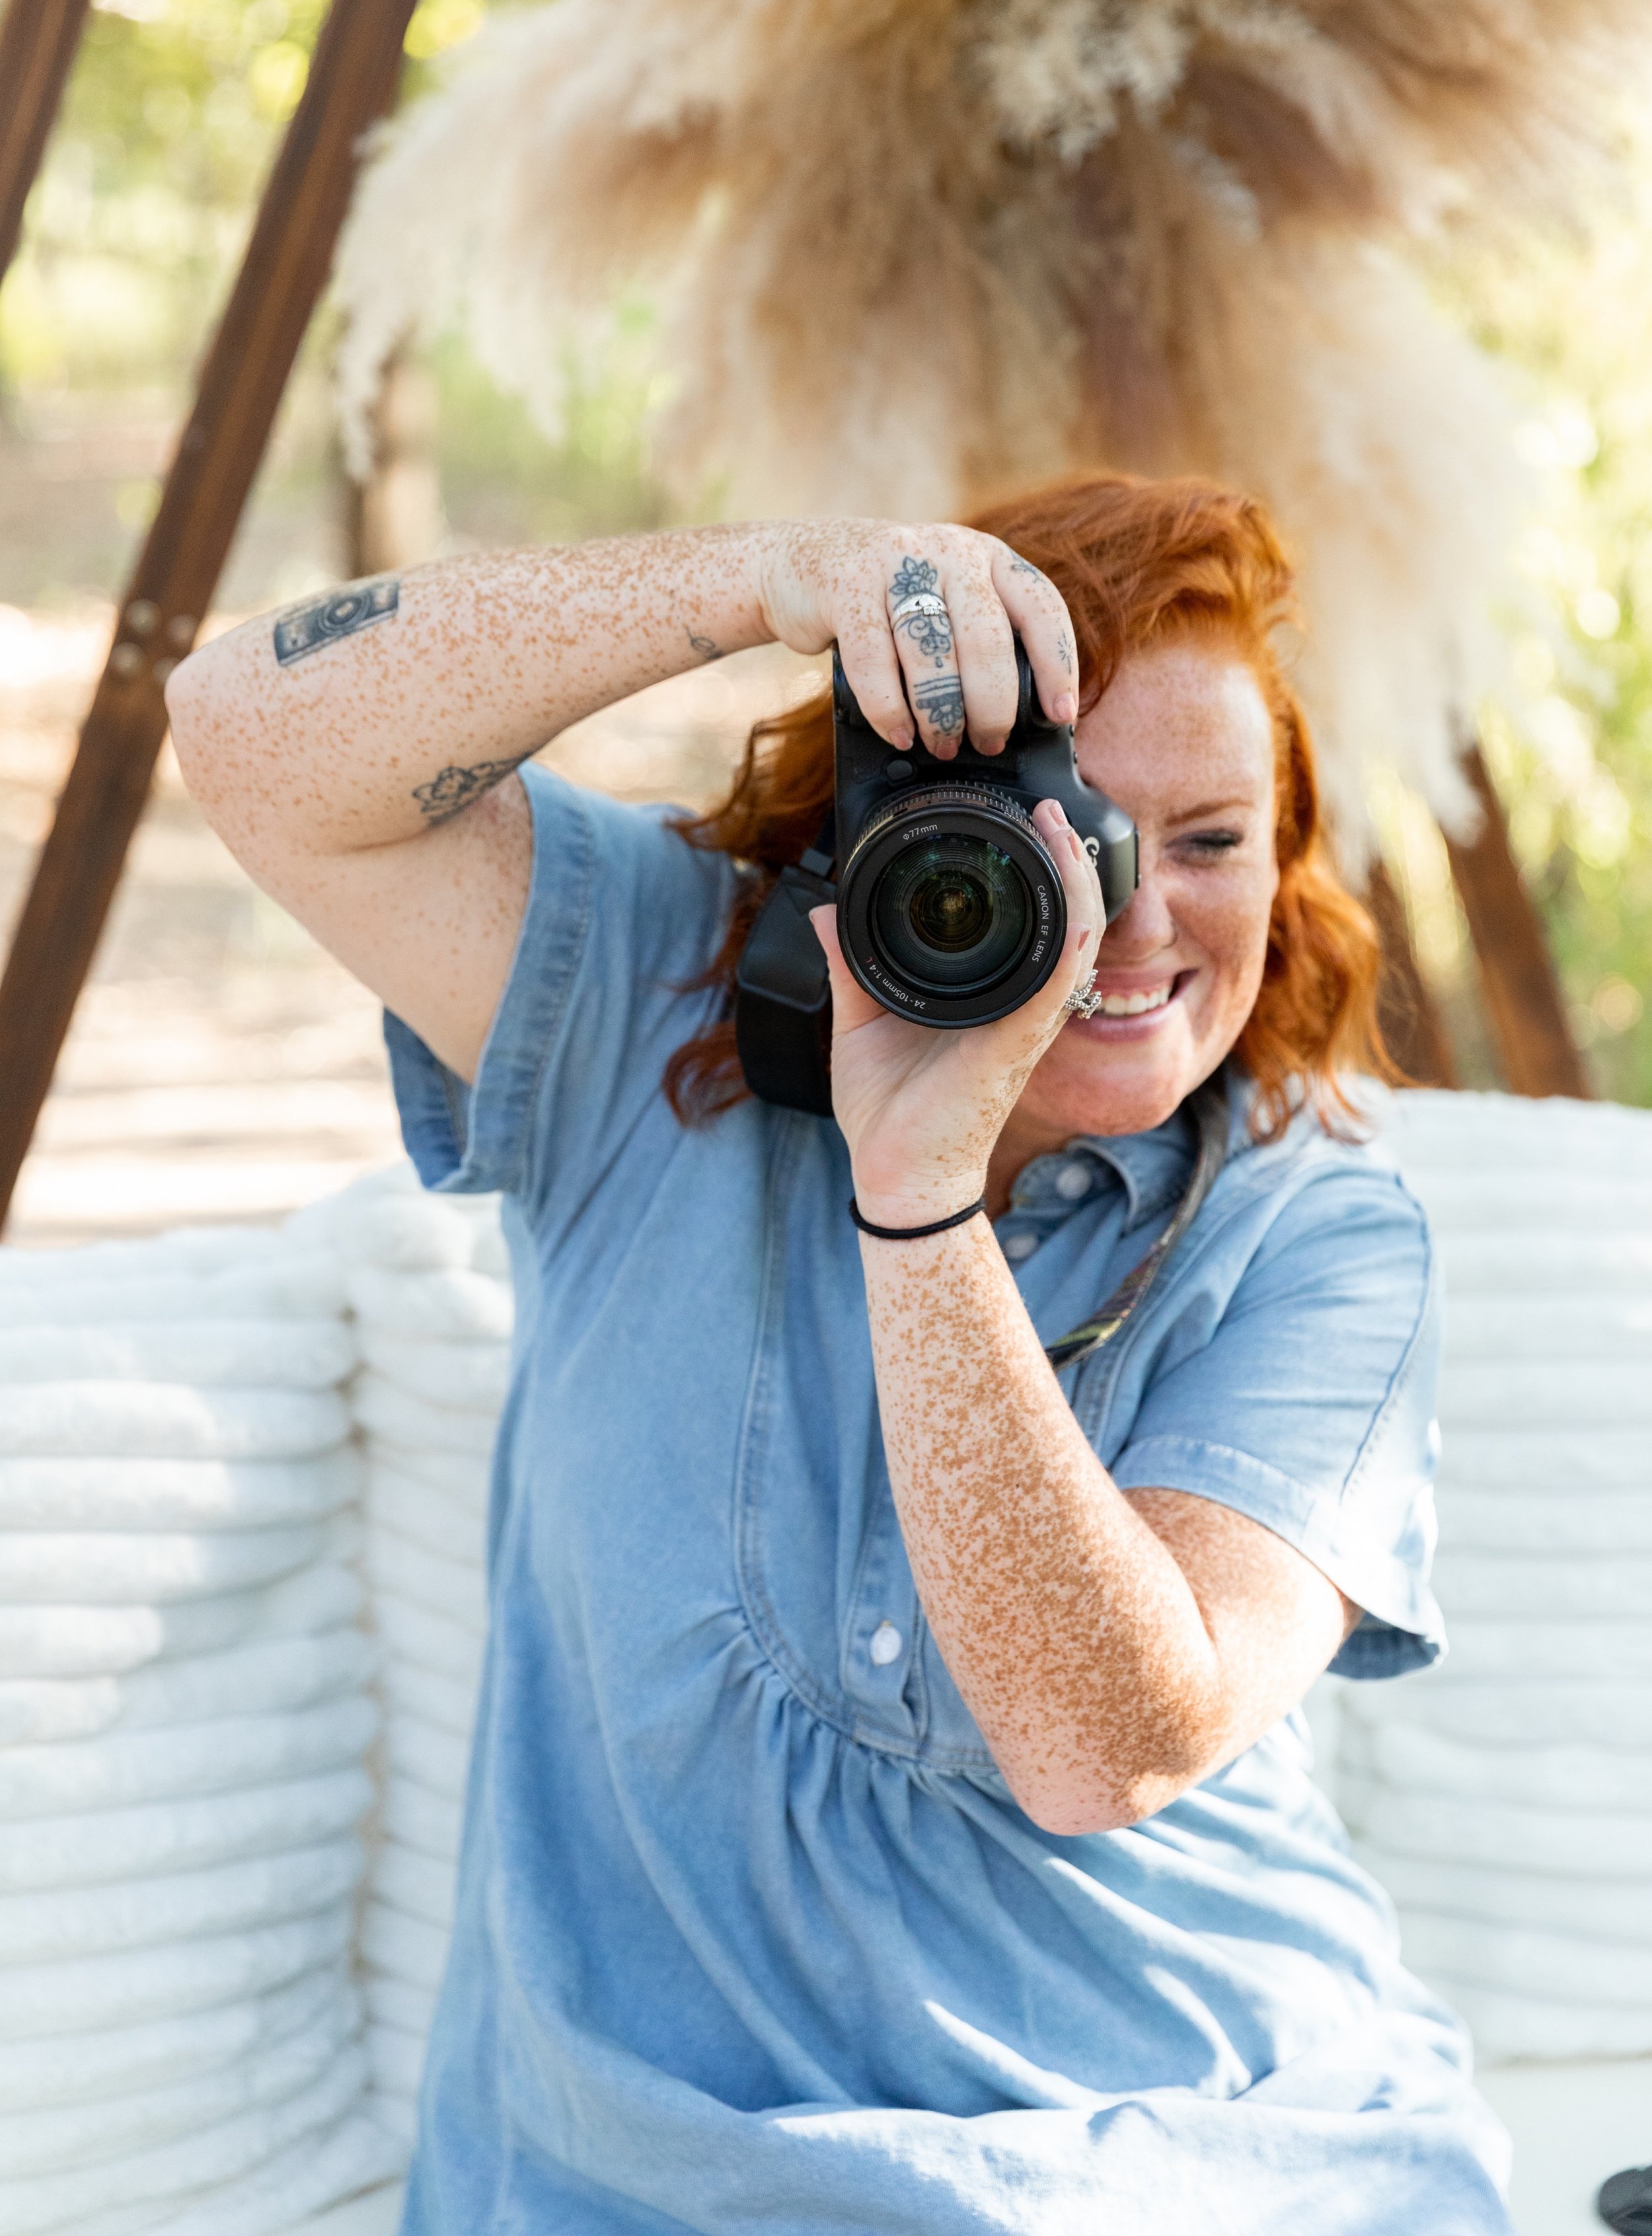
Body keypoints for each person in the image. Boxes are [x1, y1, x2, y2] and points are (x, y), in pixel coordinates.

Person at [167, 472, 1514, 2235]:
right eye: (1066, 831)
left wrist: (920, 1192)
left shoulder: (1315, 1236)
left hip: (1212, 2165)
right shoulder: (649, 1001)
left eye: (1209, 840)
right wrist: (765, 574)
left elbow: (1098, 1744)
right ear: (868, 833)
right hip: (639, 2196)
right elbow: (246, 729)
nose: (1131, 916)